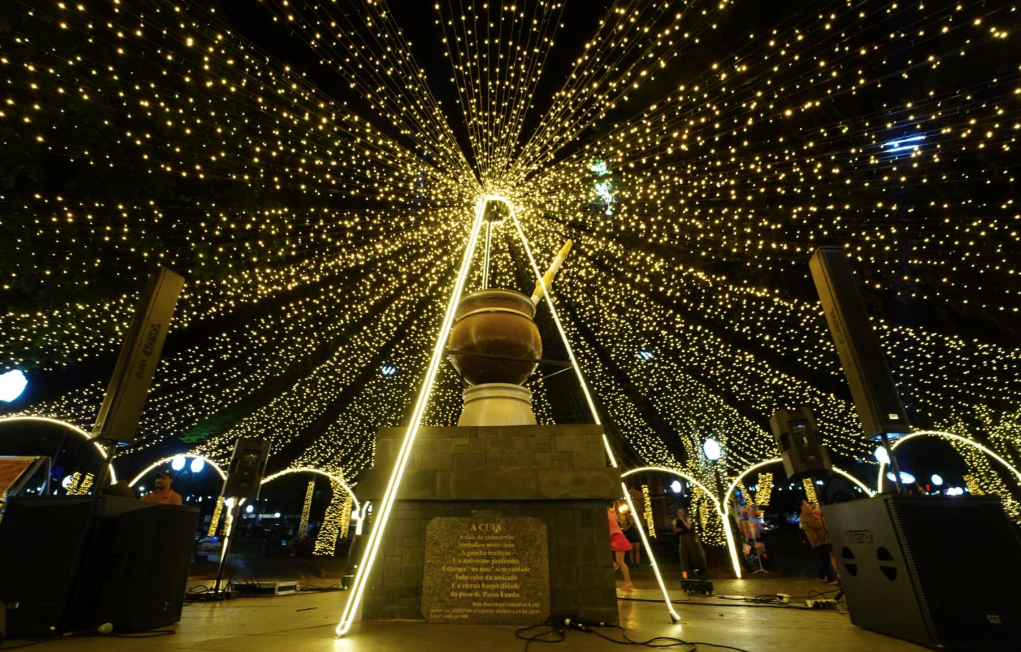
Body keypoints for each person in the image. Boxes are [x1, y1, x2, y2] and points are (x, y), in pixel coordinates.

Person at [800, 500, 838, 584]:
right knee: (826, 559)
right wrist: (819, 517)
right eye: (806, 504)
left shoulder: (811, 514)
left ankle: (821, 576)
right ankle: (831, 579)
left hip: (823, 538)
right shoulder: (805, 516)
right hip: (818, 540)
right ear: (801, 507)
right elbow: (816, 525)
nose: (808, 506)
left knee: (825, 558)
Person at [672, 507, 708, 579]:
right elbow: (674, 529)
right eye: (678, 512)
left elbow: (689, 527)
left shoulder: (687, 519)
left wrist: (682, 520)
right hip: (681, 536)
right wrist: (677, 529)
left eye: (681, 512)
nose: (680, 514)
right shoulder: (675, 520)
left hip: (689, 537)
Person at [607, 501, 633, 590]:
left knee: (620, 562)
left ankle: (628, 582)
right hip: (616, 537)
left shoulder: (607, 514)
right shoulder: (610, 513)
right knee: (619, 561)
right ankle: (614, 565)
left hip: (617, 538)